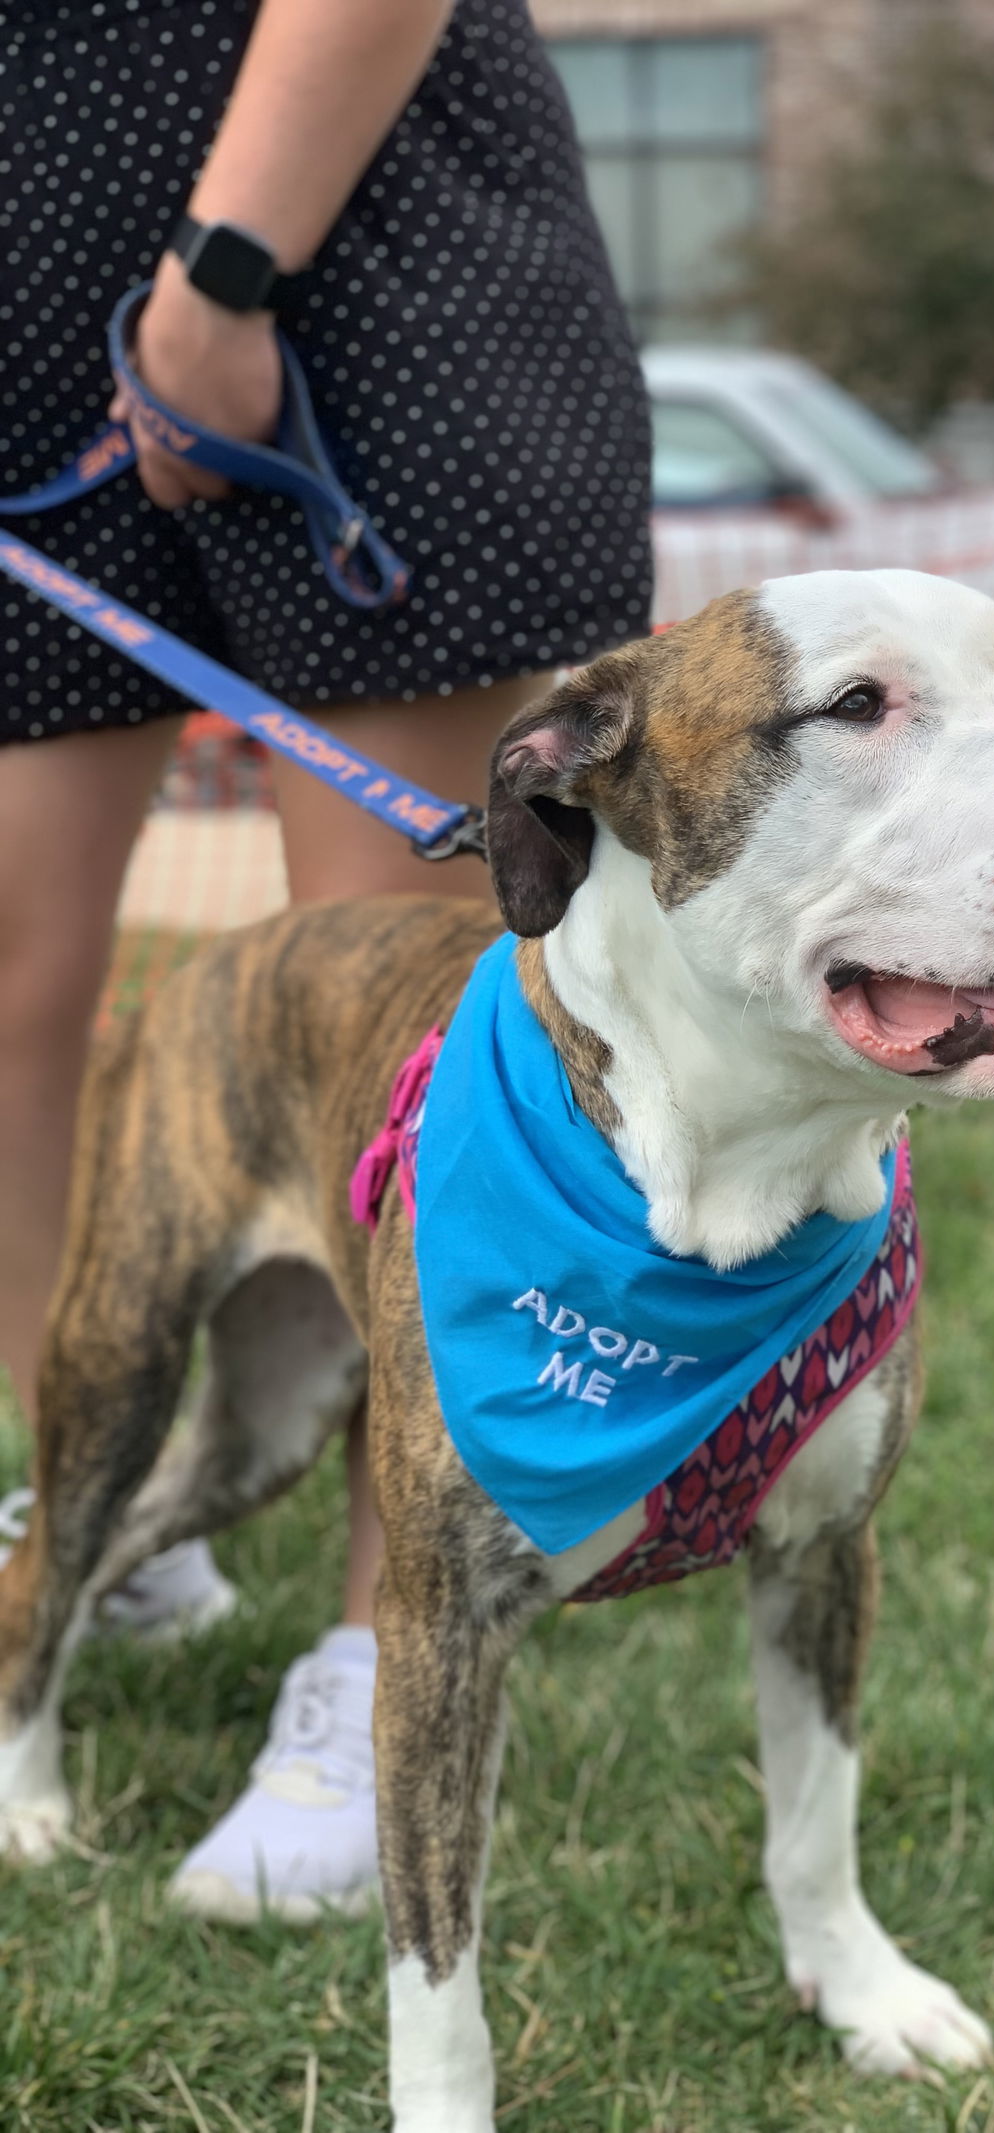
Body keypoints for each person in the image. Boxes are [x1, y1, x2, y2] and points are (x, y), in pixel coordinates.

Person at [0, 0, 652, 1920]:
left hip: (349, 240)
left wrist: (222, 271)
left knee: (400, 1033)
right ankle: (96, 1516)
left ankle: (388, 1655)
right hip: (35, 278)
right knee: (10, 976)